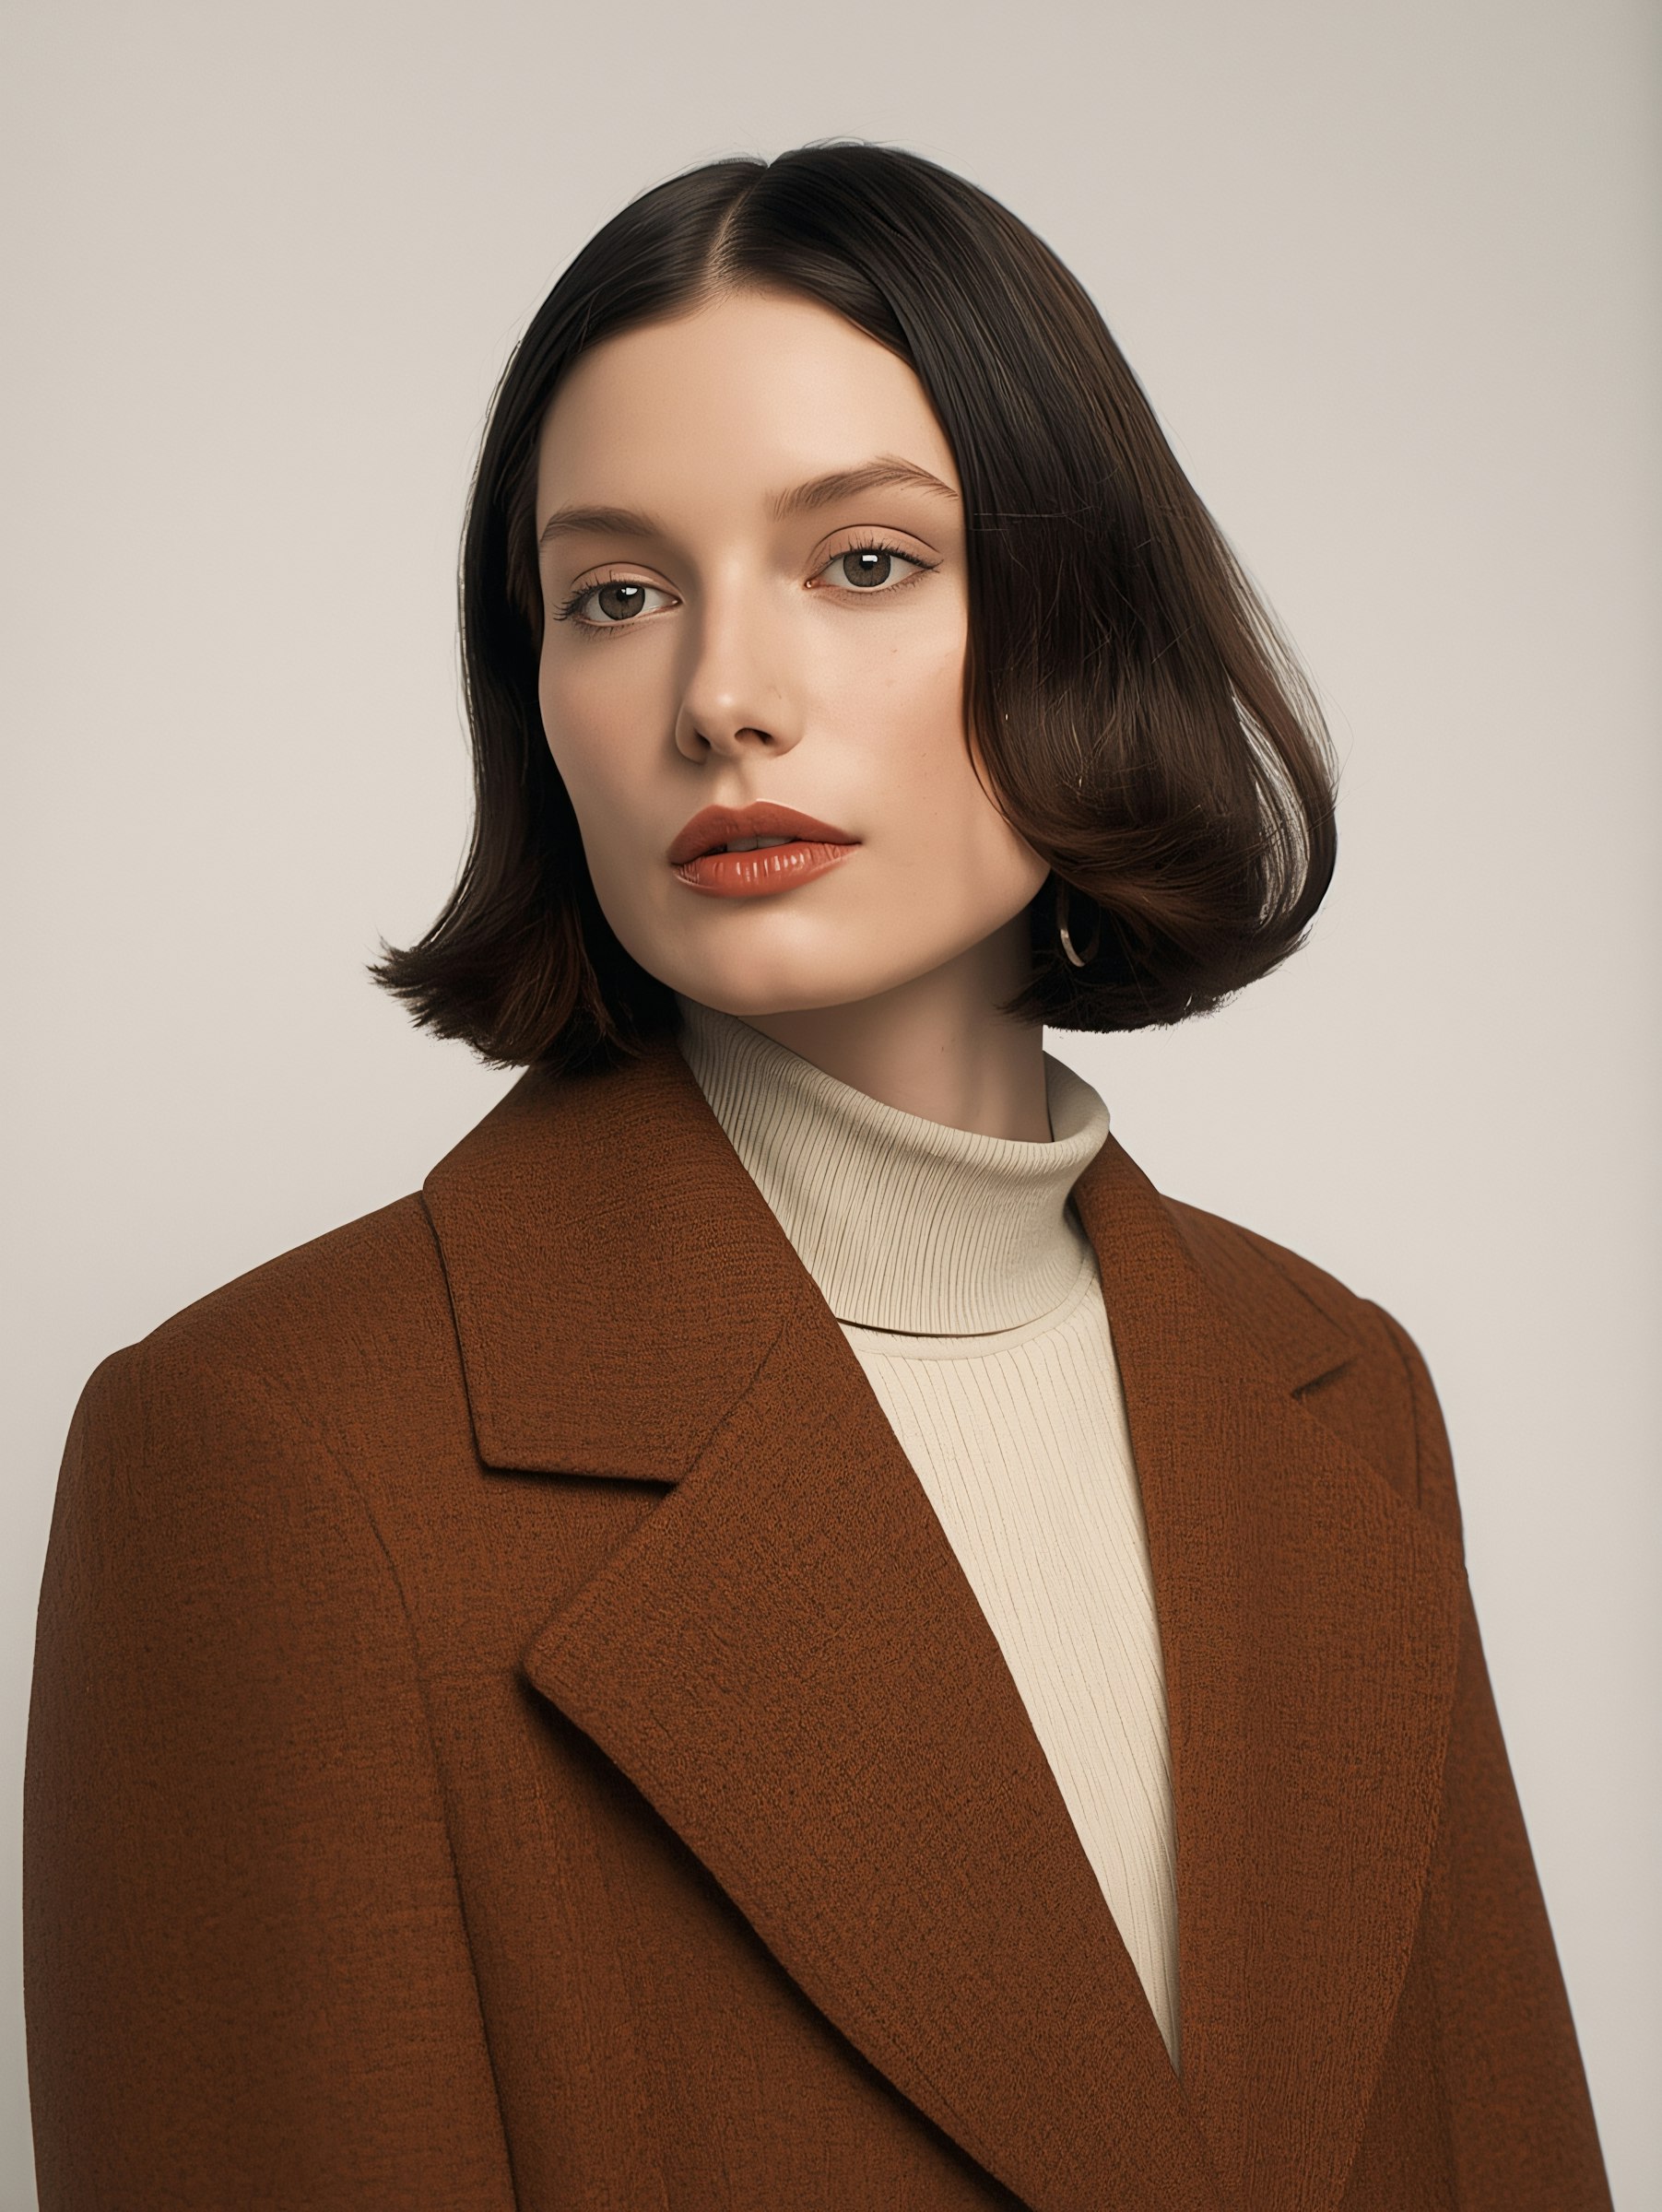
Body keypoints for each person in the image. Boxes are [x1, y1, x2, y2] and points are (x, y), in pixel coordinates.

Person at [23, 143, 1611, 2211]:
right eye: (612, 595)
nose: (718, 698)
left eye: (860, 561)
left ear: (1077, 616)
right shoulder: (273, 1453)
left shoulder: (1334, 1389)